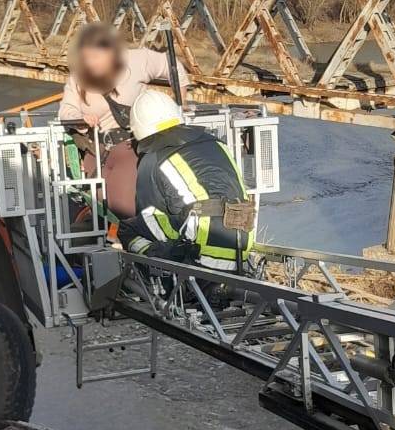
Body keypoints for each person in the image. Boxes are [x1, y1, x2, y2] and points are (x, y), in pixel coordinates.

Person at [117, 89, 256, 272]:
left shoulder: (153, 159)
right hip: (241, 245)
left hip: (199, 253)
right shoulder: (216, 144)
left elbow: (148, 211)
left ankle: (156, 283)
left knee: (129, 228)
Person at [58, 24, 188, 218]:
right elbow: (66, 111)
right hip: (98, 147)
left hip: (132, 144)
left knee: (123, 202)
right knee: (99, 199)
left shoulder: (136, 60)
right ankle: (113, 237)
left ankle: (135, 238)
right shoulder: (78, 77)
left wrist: (181, 103)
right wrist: (81, 119)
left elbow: (172, 66)